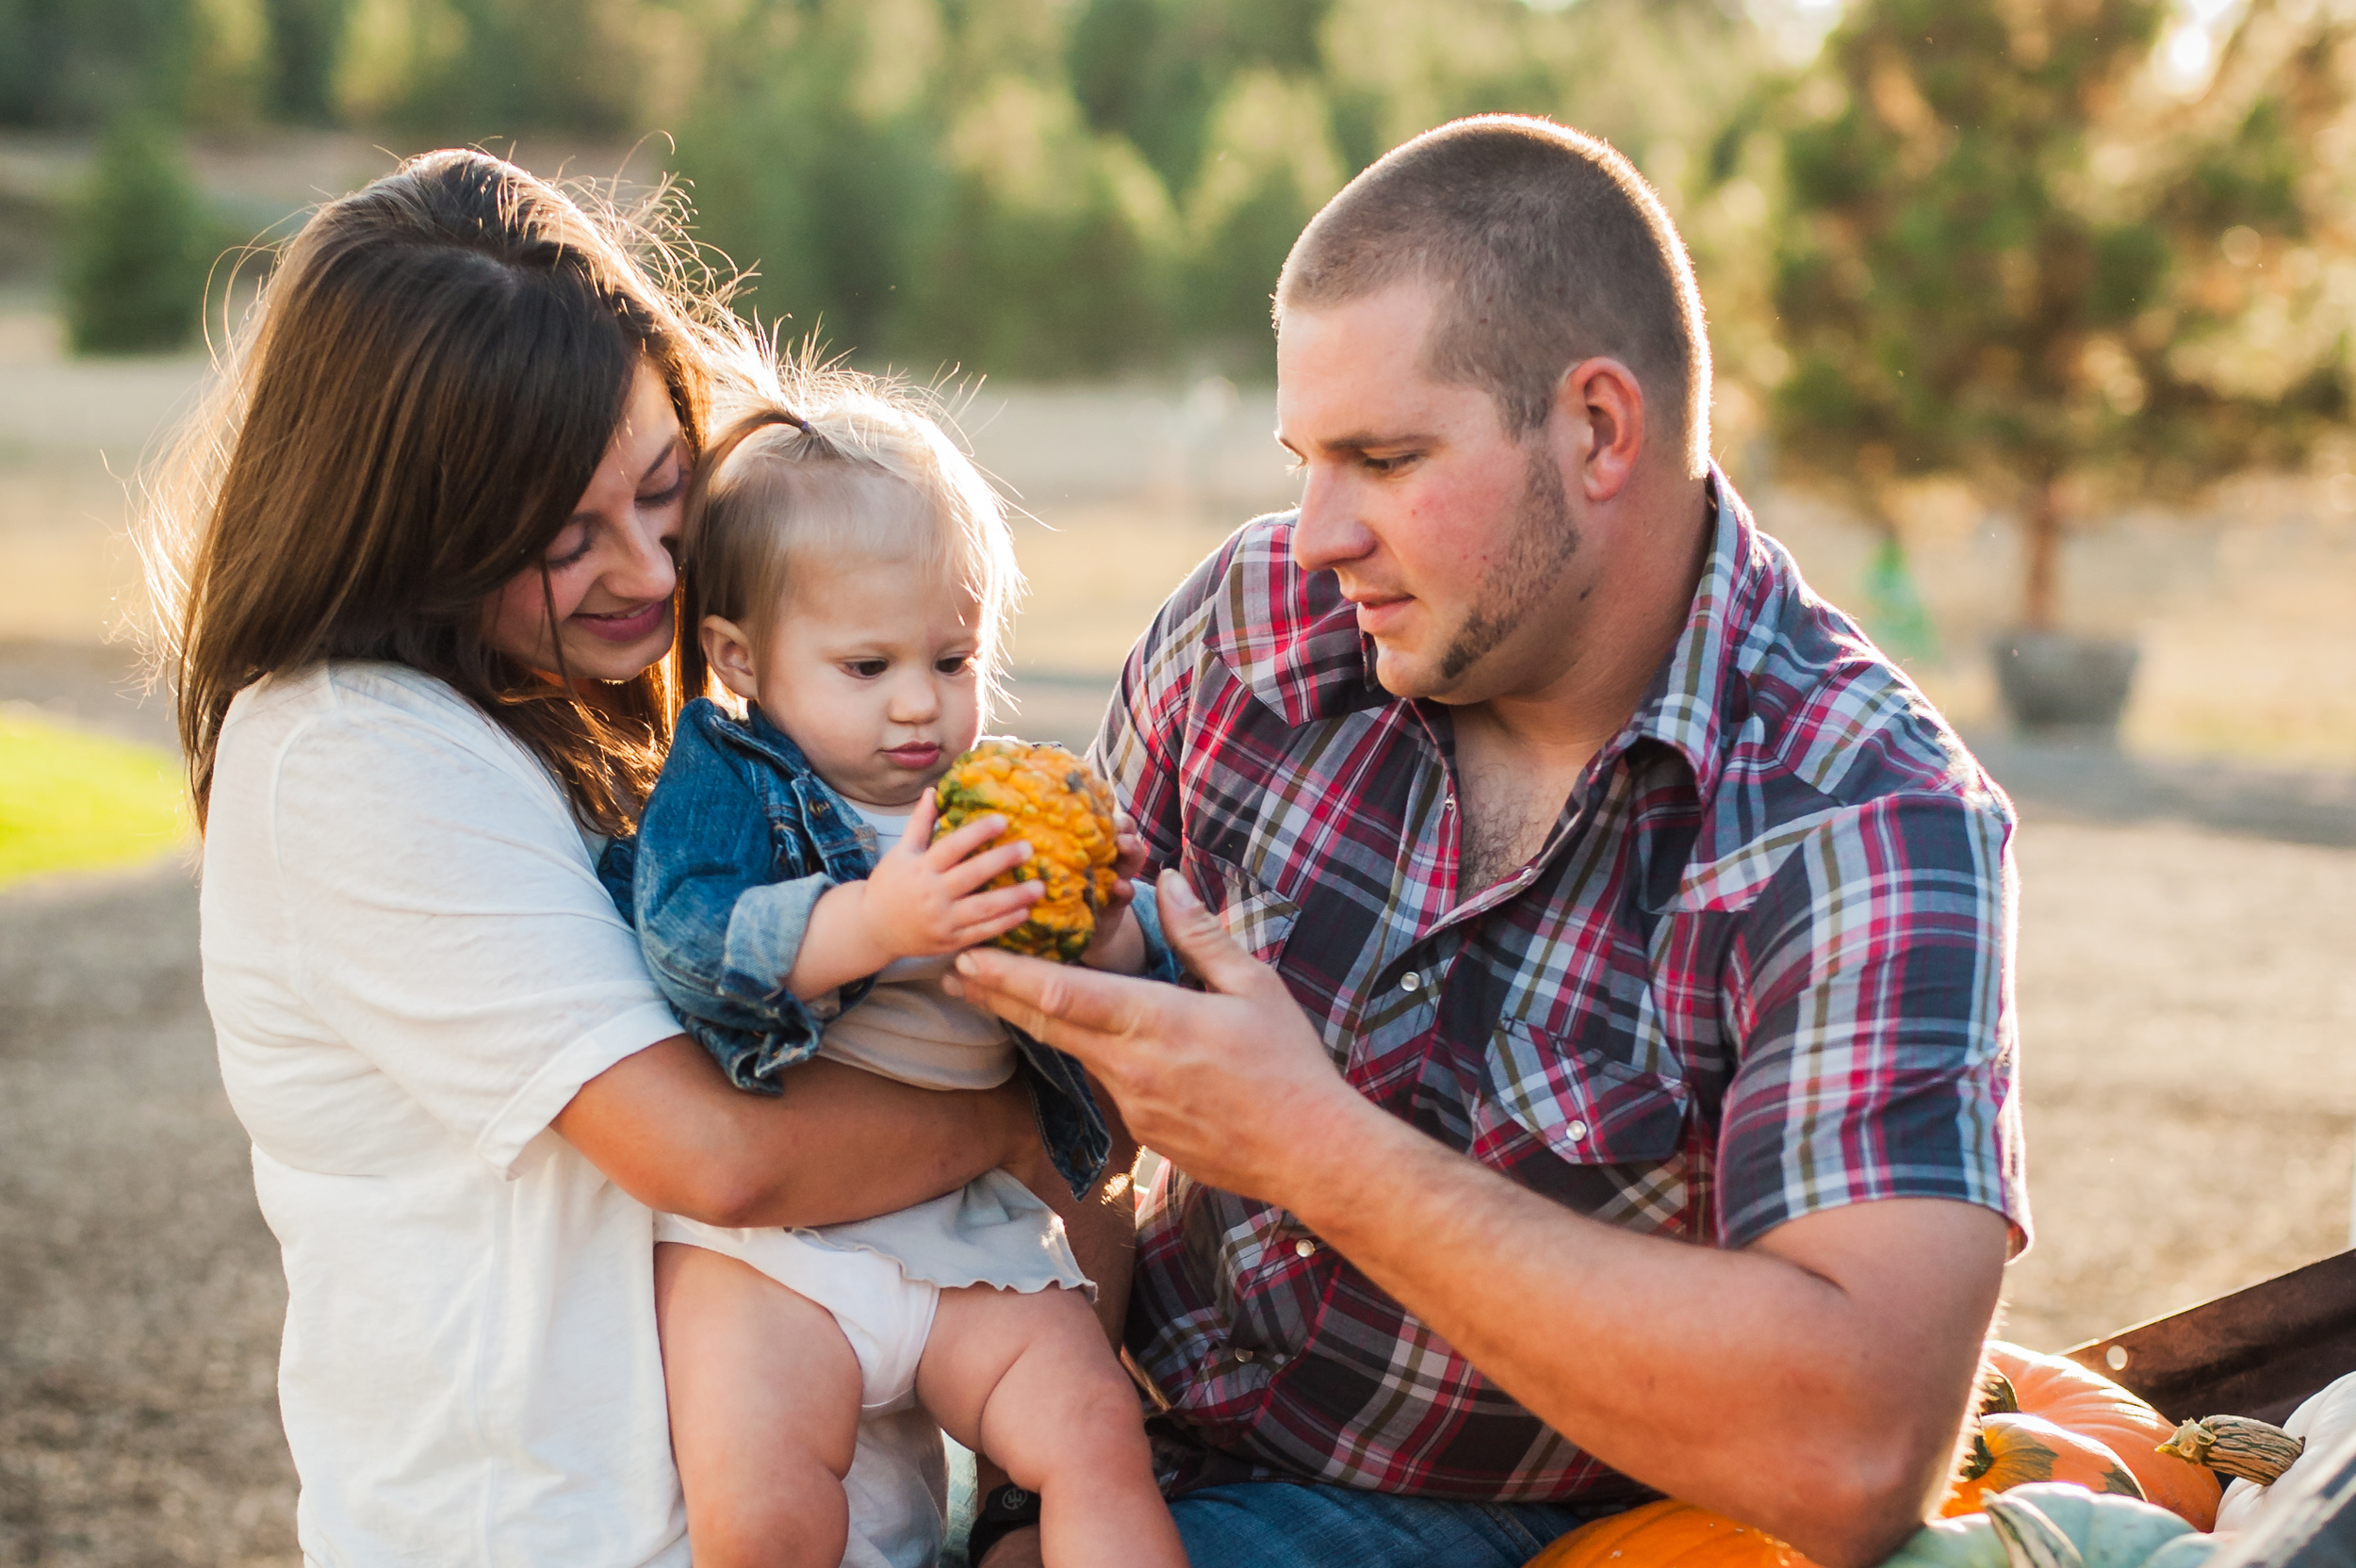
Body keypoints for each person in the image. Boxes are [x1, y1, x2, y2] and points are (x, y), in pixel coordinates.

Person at [947, 114, 2028, 1568]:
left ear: (1596, 428)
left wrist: (1318, 1149)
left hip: (1476, 1515)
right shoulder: (1252, 624)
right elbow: (1044, 1094)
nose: (1316, 530)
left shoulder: (1863, 820)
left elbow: (1858, 1449)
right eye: (1305, 458)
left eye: (1383, 459)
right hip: (1080, 1410)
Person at [157, 149, 1119, 1568]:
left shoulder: (639, 728)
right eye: (564, 537)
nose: (657, 572)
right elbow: (714, 1155)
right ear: (414, 534)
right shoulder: (347, 755)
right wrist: (1022, 1124)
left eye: (665, 488)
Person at [602, 384, 1186, 1568]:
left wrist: (1108, 925)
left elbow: (1129, 1005)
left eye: (953, 656)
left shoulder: (989, 798)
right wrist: (876, 918)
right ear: (738, 656)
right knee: (761, 1517)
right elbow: (689, 938)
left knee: (1095, 1435)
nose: (921, 701)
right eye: (867, 664)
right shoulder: (731, 777)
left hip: (970, 1235)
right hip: (771, 1258)